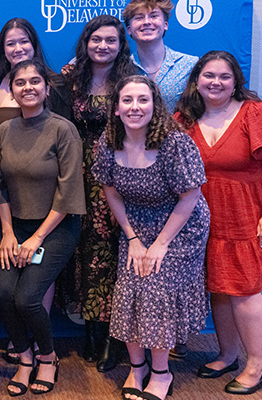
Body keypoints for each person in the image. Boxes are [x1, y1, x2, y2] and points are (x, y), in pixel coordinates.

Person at [175, 51, 262, 395]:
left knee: (244, 290)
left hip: (247, 214)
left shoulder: (254, 113)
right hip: (202, 218)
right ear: (197, 79)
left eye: (224, 77)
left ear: (235, 81)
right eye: (208, 76)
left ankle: (257, 364)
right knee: (219, 288)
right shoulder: (184, 117)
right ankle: (227, 354)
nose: (215, 83)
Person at [92, 75, 210, 400]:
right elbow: (110, 192)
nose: (135, 107)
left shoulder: (175, 142)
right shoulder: (109, 141)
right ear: (116, 108)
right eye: (127, 100)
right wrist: (131, 238)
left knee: (155, 289)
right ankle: (137, 367)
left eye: (143, 100)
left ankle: (161, 372)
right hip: (136, 224)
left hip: (180, 225)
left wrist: (160, 244)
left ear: (155, 104)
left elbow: (190, 196)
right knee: (129, 289)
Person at [0, 59, 86, 396]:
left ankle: (48, 357)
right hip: (16, 228)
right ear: (12, 91)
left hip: (55, 228)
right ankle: (25, 357)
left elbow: (68, 190)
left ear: (46, 88)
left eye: (35, 81)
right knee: (2, 294)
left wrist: (36, 238)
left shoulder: (63, 129)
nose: (28, 87)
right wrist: (9, 233)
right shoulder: (4, 131)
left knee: (28, 298)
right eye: (20, 83)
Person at [61, 14, 136, 372]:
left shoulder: (132, 80)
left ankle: (113, 337)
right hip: (77, 177)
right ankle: (90, 328)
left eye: (110, 40)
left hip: (117, 177)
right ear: (85, 42)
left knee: (115, 257)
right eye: (96, 39)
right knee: (85, 253)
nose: (102, 46)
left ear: (121, 44)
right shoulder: (70, 78)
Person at [122, 0, 198, 114]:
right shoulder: (121, 69)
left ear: (165, 25)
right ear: (129, 29)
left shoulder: (189, 65)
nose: (146, 22)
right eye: (139, 18)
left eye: (153, 16)